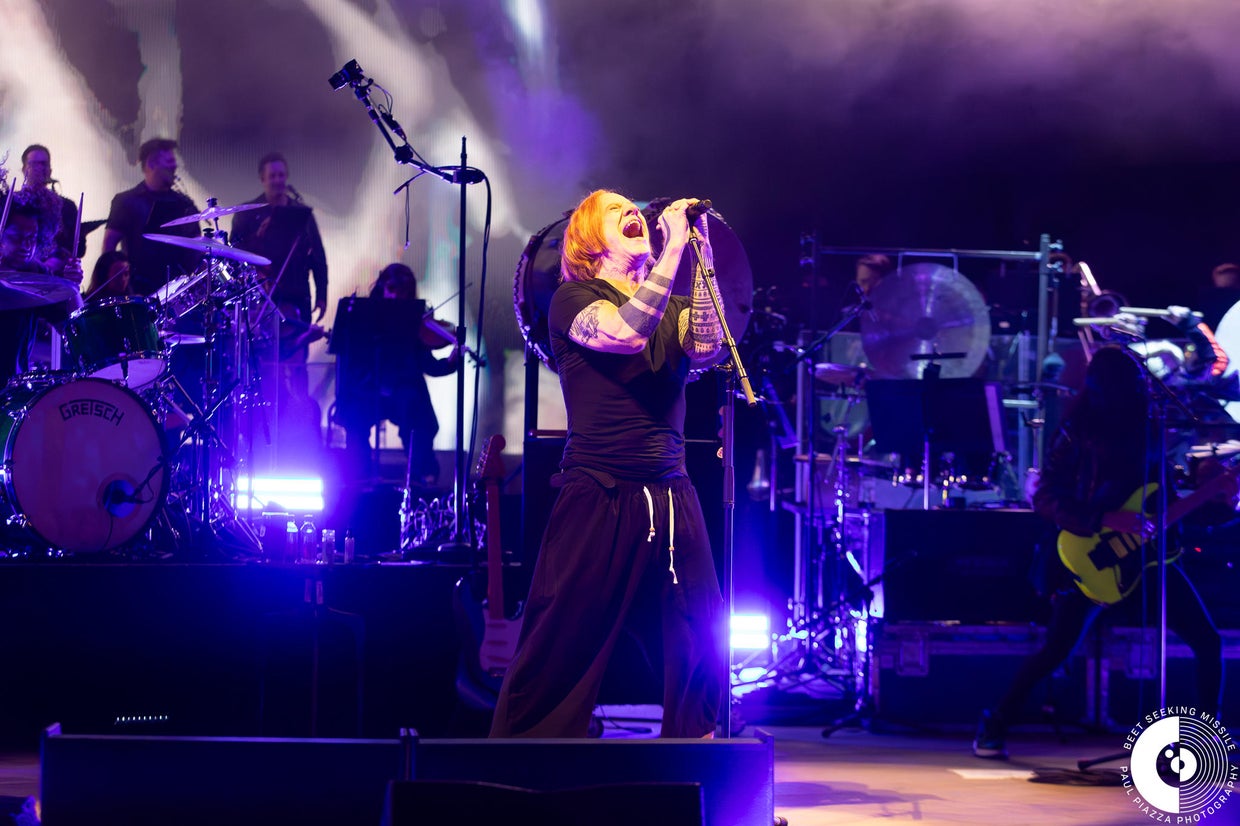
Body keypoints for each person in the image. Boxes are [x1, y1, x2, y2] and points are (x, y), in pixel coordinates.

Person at [490, 191, 726, 738]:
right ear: (592, 237)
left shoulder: (670, 300)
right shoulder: (573, 298)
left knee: (702, 635)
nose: (636, 215)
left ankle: (696, 755)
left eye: (637, 211)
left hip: (671, 487)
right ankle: (522, 762)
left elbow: (710, 349)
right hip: (600, 490)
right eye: (619, 210)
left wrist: (702, 252)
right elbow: (625, 333)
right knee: (565, 636)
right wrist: (670, 256)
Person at [973, 345, 1225, 759]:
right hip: (1093, 553)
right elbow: (1047, 496)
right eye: (1136, 379)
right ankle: (995, 721)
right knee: (1057, 650)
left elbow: (1165, 500)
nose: (1144, 385)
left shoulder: (1150, 427)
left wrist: (1217, 499)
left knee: (1207, 642)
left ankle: (1207, 741)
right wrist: (1102, 518)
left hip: (1150, 557)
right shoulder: (1077, 429)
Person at [333, 263, 457, 486]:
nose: (397, 295)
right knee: (354, 413)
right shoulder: (361, 317)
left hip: (403, 391)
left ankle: (419, 474)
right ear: (382, 287)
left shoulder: (415, 321)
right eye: (392, 288)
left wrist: (452, 360)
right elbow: (351, 361)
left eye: (405, 291)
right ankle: (359, 474)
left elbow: (428, 365)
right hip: (366, 388)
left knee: (422, 418)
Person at [230, 152, 329, 325]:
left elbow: (317, 256)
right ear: (263, 179)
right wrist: (258, 236)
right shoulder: (246, 214)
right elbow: (235, 254)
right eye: (272, 176)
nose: (277, 180)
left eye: (281, 175)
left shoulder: (301, 213)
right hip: (262, 298)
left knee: (298, 348)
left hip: (297, 294)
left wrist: (322, 295)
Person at [101, 137, 201, 297]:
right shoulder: (126, 201)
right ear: (151, 163)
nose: (174, 166)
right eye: (168, 161)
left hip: (179, 291)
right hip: (137, 289)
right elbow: (109, 245)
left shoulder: (184, 204)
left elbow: (197, 244)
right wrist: (114, 287)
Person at [0, 203, 84, 384]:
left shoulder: (35, 273)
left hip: (12, 387)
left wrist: (72, 287)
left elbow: (76, 329)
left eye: (32, 238)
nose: (26, 246)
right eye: (16, 237)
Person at [17, 144, 84, 266]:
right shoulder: (13, 202)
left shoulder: (67, 206)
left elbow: (77, 248)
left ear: (50, 169)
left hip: (54, 275)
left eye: (44, 164)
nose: (39, 168)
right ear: (24, 169)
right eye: (34, 164)